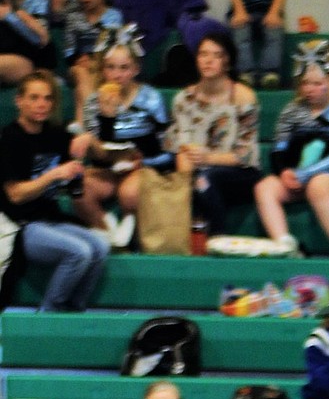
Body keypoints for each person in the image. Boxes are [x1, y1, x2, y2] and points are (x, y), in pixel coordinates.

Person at [0, 71, 110, 311]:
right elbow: (15, 195)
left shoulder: (55, 134)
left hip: (51, 219)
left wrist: (88, 140)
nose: (42, 104)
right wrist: (53, 174)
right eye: (34, 97)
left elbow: (103, 159)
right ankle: (48, 313)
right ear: (19, 101)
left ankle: (74, 310)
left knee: (101, 247)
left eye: (47, 98)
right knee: (79, 252)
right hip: (21, 225)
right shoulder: (9, 139)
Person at [254, 40, 329, 261]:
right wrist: (284, 171)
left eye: (317, 83)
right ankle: (283, 243)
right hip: (297, 176)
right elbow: (279, 147)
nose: (309, 89)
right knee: (264, 187)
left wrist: (307, 173)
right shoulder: (292, 110)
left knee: (318, 185)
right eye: (305, 83)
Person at [76, 29, 170, 242]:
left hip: (143, 166)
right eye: (111, 67)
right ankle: (108, 230)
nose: (117, 75)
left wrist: (143, 161)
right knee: (77, 187)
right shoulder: (94, 102)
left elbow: (167, 147)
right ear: (103, 69)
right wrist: (107, 119)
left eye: (124, 68)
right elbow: (98, 154)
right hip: (108, 169)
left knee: (128, 194)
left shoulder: (151, 98)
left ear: (136, 69)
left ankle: (132, 233)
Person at [165, 31, 261, 233]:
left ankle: (216, 241)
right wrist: (187, 172)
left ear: (228, 61)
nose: (208, 61)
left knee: (205, 178)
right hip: (194, 169)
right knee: (196, 179)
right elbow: (178, 144)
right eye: (203, 54)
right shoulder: (184, 99)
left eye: (216, 55)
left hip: (239, 173)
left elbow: (246, 155)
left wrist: (209, 157)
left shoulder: (243, 97)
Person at [60, 0, 123, 127]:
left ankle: (81, 126)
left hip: (103, 65)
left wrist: (97, 61)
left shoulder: (114, 16)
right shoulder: (74, 18)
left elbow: (115, 46)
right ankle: (93, 119)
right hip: (78, 66)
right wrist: (77, 60)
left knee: (86, 82)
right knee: (81, 73)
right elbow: (68, 50)